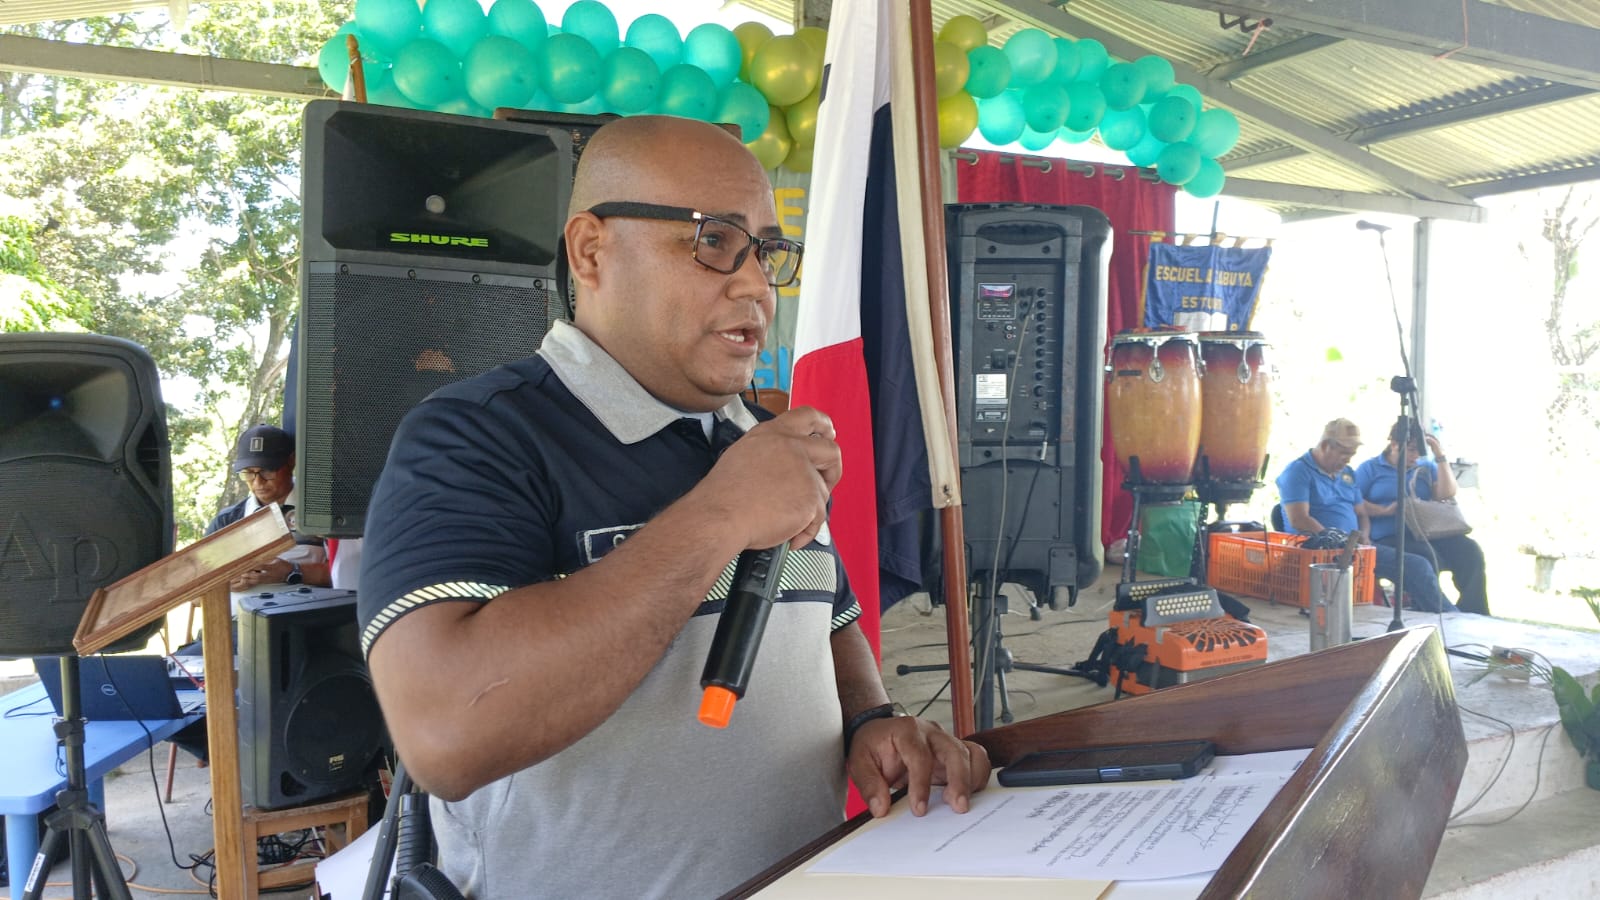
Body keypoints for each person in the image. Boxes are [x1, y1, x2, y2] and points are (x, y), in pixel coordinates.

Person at [356, 116, 991, 899]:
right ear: (591, 251)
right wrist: (719, 516)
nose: (756, 285)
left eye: (766, 252)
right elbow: (444, 734)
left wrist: (870, 721)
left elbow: (826, 615)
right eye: (714, 240)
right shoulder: (479, 435)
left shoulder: (757, 438)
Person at [1275, 418, 1455, 613]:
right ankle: (1448, 616)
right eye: (1344, 453)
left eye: (1352, 454)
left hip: (1354, 547)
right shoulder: (1297, 472)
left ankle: (1440, 614)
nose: (1348, 459)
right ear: (1326, 446)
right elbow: (1299, 519)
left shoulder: (1347, 473)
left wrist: (1365, 535)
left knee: (1418, 563)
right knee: (1416, 566)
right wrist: (1336, 540)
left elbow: (1361, 513)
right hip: (1318, 549)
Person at [1355, 420, 1488, 615]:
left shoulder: (1426, 468)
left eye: (1419, 450)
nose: (1415, 455)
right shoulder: (1370, 468)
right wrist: (1384, 510)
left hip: (1428, 531)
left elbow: (1446, 493)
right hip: (1389, 535)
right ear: (1394, 444)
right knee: (1425, 555)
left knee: (1470, 550)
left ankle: (1474, 611)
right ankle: (1436, 612)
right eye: (1410, 450)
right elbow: (1354, 501)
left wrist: (1439, 455)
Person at [206, 423, 329, 593]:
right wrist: (225, 583)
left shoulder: (324, 513)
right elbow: (194, 592)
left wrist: (292, 572)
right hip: (239, 609)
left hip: (310, 608)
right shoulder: (227, 521)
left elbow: (348, 573)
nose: (258, 482)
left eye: (267, 471)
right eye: (248, 473)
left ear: (291, 462)